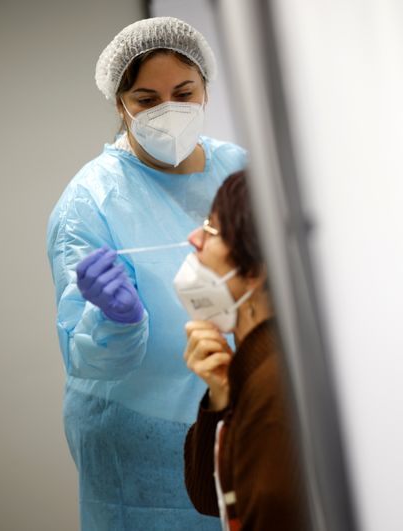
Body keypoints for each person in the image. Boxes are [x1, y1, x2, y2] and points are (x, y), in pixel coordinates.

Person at [46, 17, 246, 530]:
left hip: (236, 412)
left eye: (184, 92)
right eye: (147, 100)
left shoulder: (239, 172)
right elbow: (89, 360)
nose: (169, 112)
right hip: (140, 440)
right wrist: (115, 319)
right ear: (120, 104)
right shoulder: (89, 203)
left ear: (206, 88)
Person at [180, 171, 307, 530]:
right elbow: (213, 499)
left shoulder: (274, 390)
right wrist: (221, 396)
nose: (193, 239)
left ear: (256, 271)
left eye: (211, 230)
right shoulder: (257, 370)